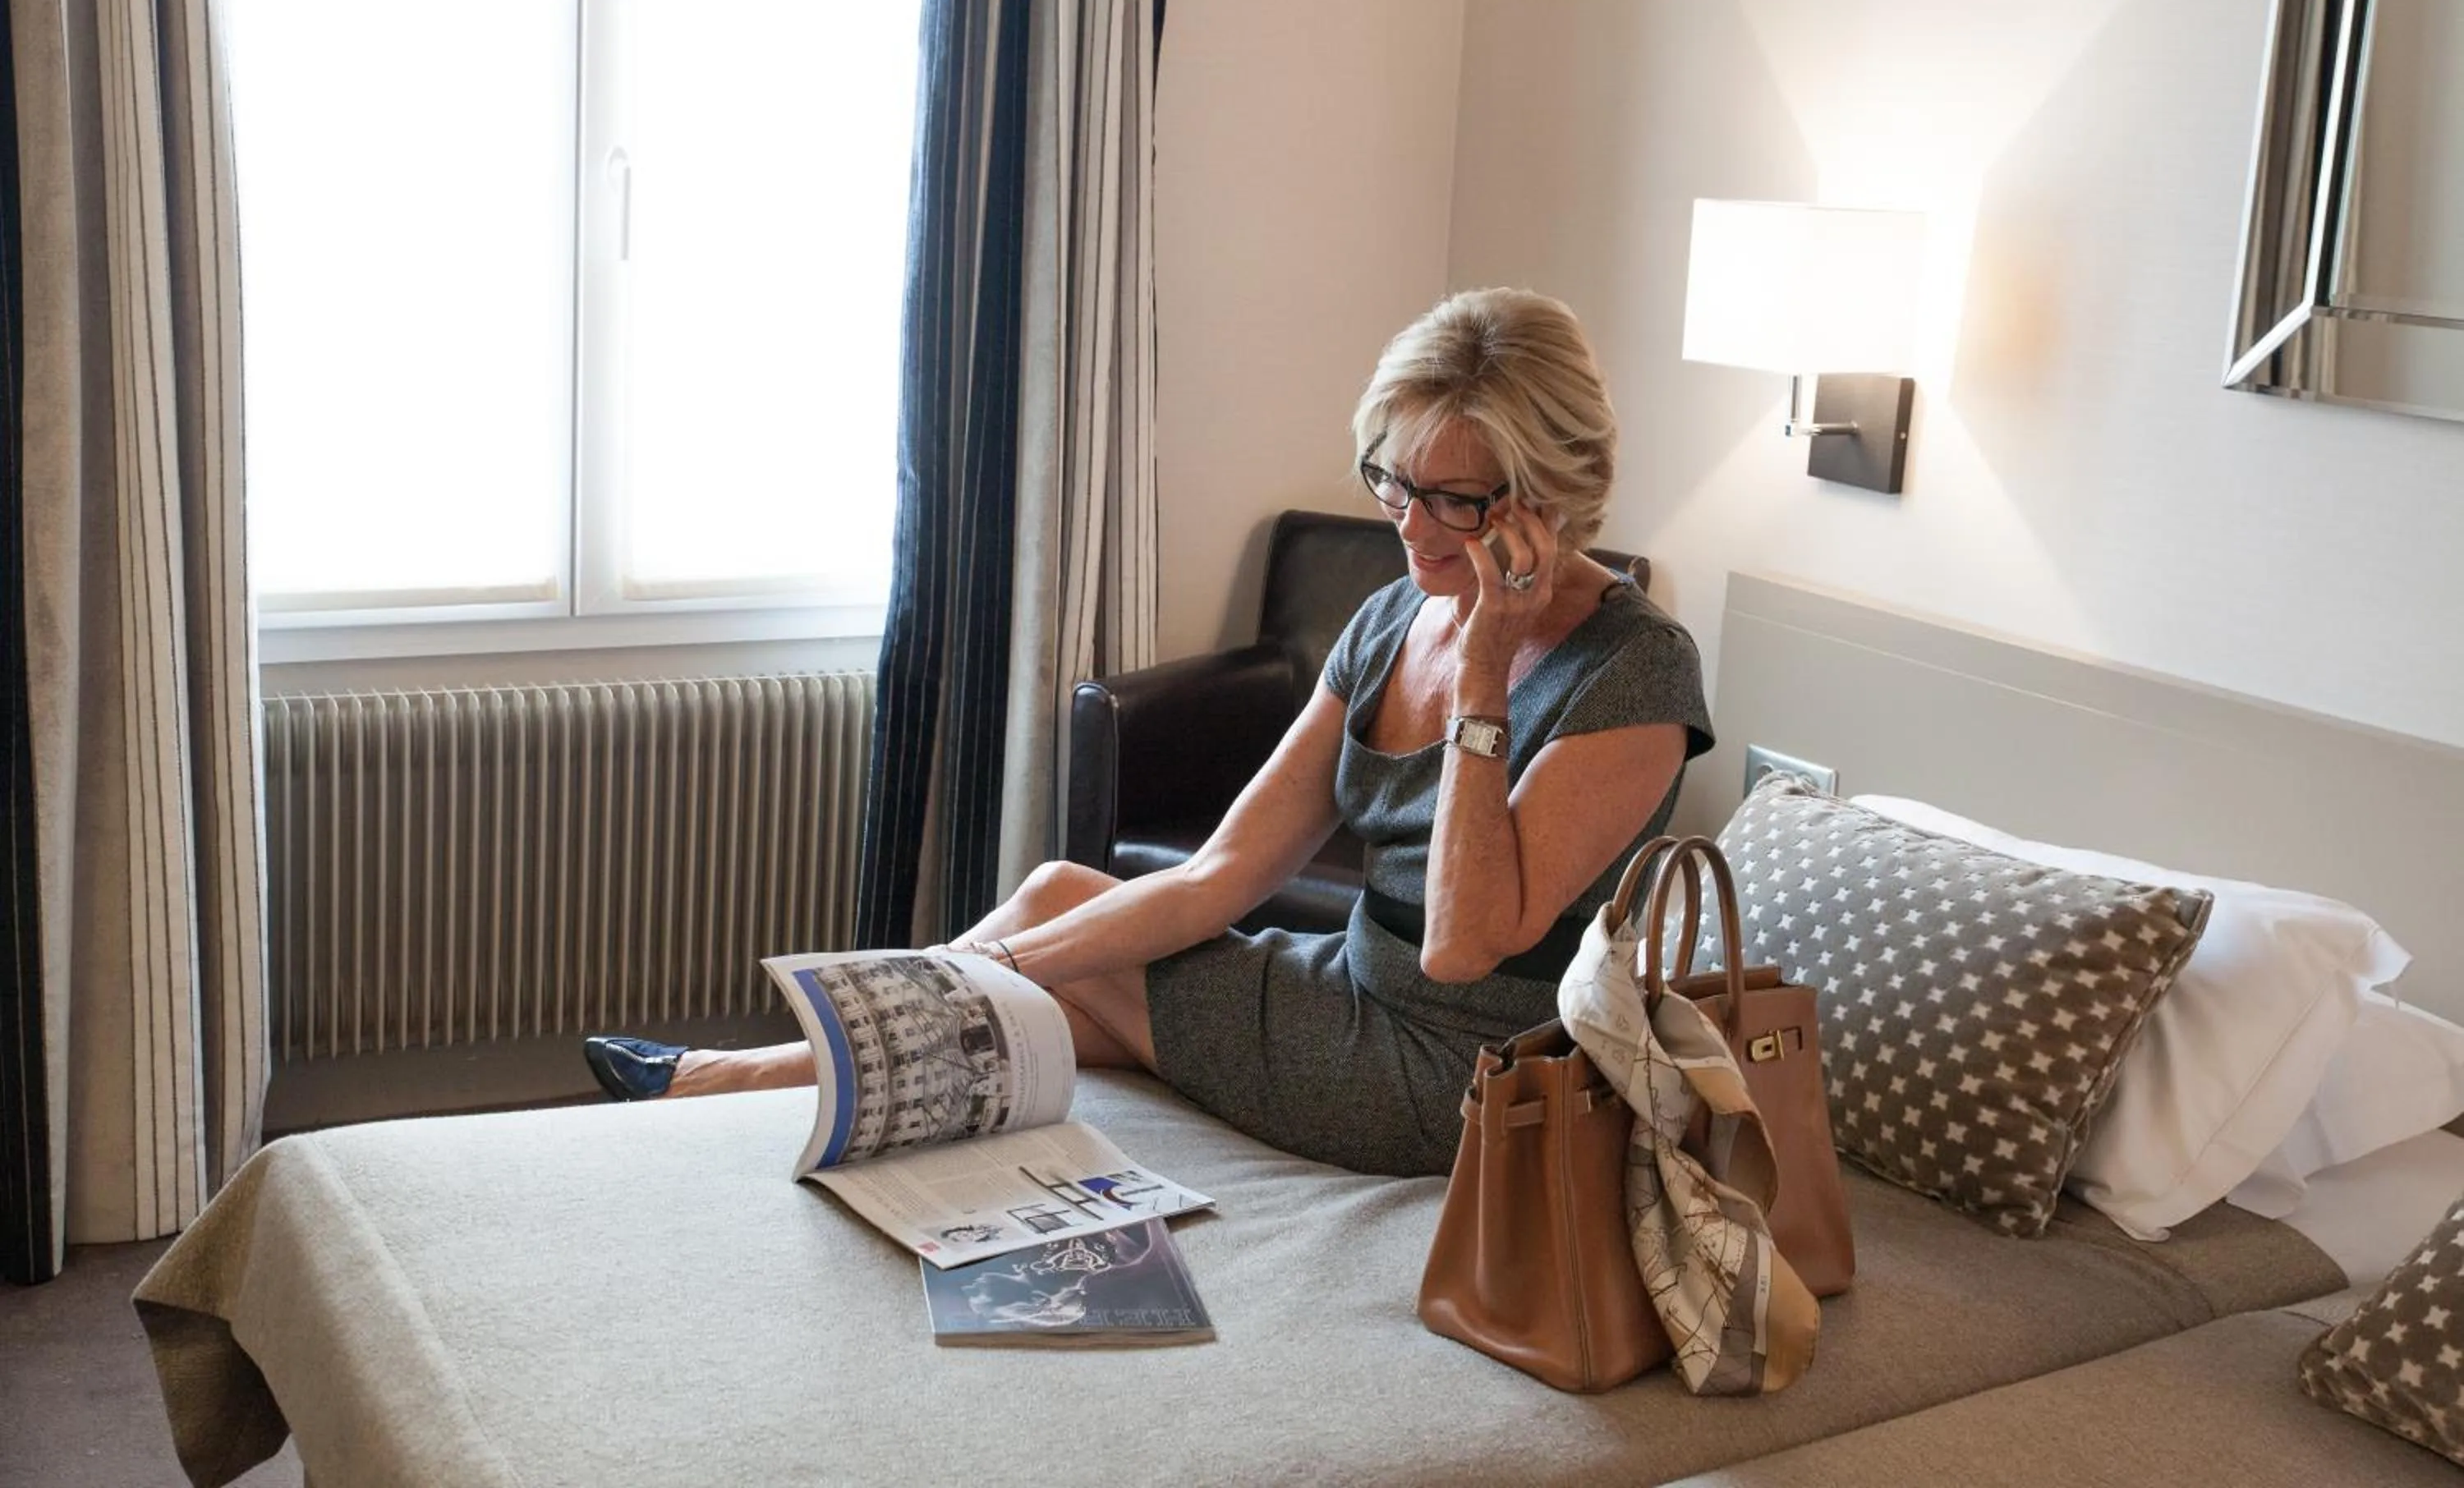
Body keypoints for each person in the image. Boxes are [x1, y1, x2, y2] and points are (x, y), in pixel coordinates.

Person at [584, 288, 1713, 1177]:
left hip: (1456, 1076)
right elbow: (1223, 873)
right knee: (1061, 899)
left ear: (1548, 494)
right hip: (1343, 986)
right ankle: (735, 1073)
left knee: (1056, 980)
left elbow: (1464, 949)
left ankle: (720, 1083)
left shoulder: (1635, 672)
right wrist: (969, 964)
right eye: (1393, 482)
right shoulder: (1389, 619)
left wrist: (1479, 675)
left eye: (1454, 500)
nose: (1410, 526)